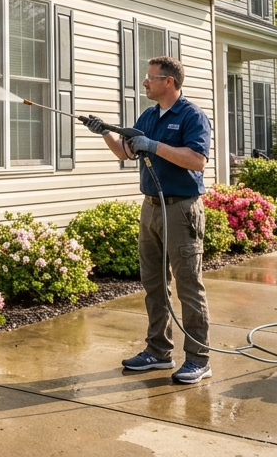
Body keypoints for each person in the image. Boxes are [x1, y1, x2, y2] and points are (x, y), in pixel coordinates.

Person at [82, 55, 213, 384]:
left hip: (181, 209)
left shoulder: (191, 116)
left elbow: (197, 160)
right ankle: (158, 352)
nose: (145, 83)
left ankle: (198, 359)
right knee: (154, 285)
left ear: (169, 81)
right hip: (151, 207)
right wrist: (104, 133)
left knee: (188, 288)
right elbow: (125, 152)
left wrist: (154, 145)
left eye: (150, 78)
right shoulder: (149, 115)